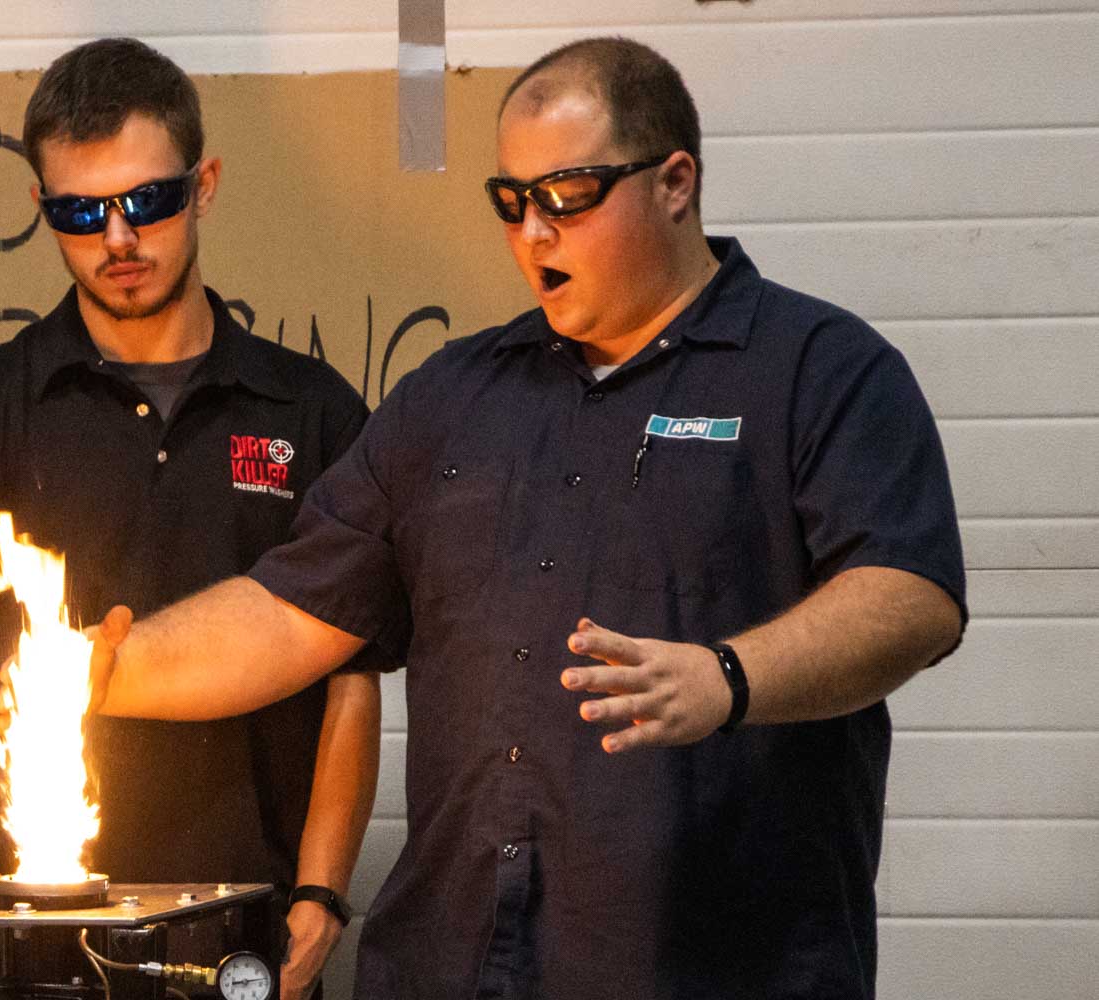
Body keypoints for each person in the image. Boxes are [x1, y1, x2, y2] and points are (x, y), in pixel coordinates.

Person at [80, 36, 967, 1000]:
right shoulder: (452, 397)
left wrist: (727, 678)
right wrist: (89, 671)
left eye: (567, 196)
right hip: (454, 965)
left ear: (675, 181)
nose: (533, 233)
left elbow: (911, 599)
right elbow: (293, 613)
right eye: (512, 201)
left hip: (709, 964)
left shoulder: (820, 369)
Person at [0, 38, 382, 1000]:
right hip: (12, 940)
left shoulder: (312, 412)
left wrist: (322, 896)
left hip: (234, 936)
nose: (119, 238)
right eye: (81, 213)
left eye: (149, 201)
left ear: (204, 183)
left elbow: (349, 678)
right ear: (44, 211)